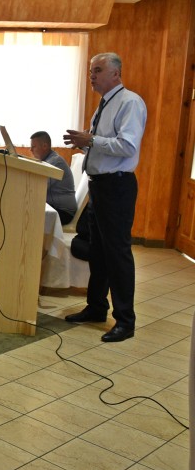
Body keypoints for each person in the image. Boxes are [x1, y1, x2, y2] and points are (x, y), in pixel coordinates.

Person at [63, 52, 147, 343]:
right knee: (97, 250)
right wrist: (84, 143)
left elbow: (127, 146)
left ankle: (125, 320)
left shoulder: (130, 102)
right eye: (90, 71)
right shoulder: (103, 104)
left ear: (116, 73)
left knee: (117, 253)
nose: (92, 76)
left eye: (97, 70)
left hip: (117, 187)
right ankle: (97, 307)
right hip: (99, 186)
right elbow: (102, 146)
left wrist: (92, 140)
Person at [29, 131, 77, 225]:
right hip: (55, 207)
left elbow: (39, 187)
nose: (30, 150)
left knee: (26, 213)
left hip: (63, 212)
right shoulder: (47, 160)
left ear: (45, 146)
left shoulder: (55, 162)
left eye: (33, 146)